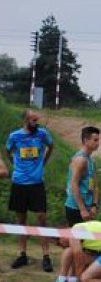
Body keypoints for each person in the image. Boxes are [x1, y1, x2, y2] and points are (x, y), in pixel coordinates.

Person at [5, 108, 55, 271]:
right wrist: (15, 164)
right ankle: (22, 254)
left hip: (36, 183)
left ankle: (46, 256)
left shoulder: (42, 134)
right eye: (33, 120)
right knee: (21, 220)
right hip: (19, 182)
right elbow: (8, 151)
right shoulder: (14, 136)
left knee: (41, 217)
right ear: (25, 121)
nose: (36, 122)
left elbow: (51, 146)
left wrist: (43, 163)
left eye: (37, 119)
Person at [54, 126, 101, 282]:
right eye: (95, 140)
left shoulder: (91, 161)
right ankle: (61, 280)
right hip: (75, 208)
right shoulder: (79, 160)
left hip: (87, 208)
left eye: (98, 139)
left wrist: (94, 205)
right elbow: (73, 185)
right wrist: (82, 208)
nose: (98, 143)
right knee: (74, 244)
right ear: (85, 140)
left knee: (83, 245)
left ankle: (74, 280)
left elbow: (95, 184)